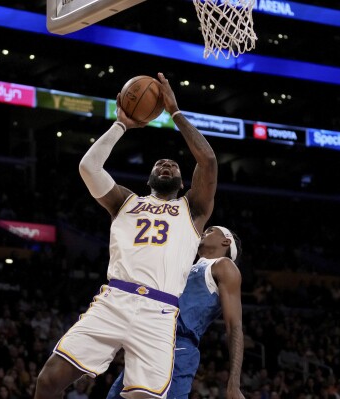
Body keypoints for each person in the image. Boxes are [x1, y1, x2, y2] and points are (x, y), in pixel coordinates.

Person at [35, 72, 218, 399]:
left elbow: (207, 160)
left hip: (159, 313)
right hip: (114, 300)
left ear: (181, 182)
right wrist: (121, 125)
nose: (166, 165)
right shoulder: (125, 201)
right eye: (160, 163)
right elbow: (88, 168)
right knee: (49, 380)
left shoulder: (193, 210)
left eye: (173, 166)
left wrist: (175, 113)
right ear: (149, 178)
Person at [107, 225, 244, 399]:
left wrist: (234, 384)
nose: (203, 232)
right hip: (148, 343)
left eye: (210, 231)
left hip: (177, 345)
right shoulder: (183, 267)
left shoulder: (223, 266)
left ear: (226, 241)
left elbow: (235, 326)